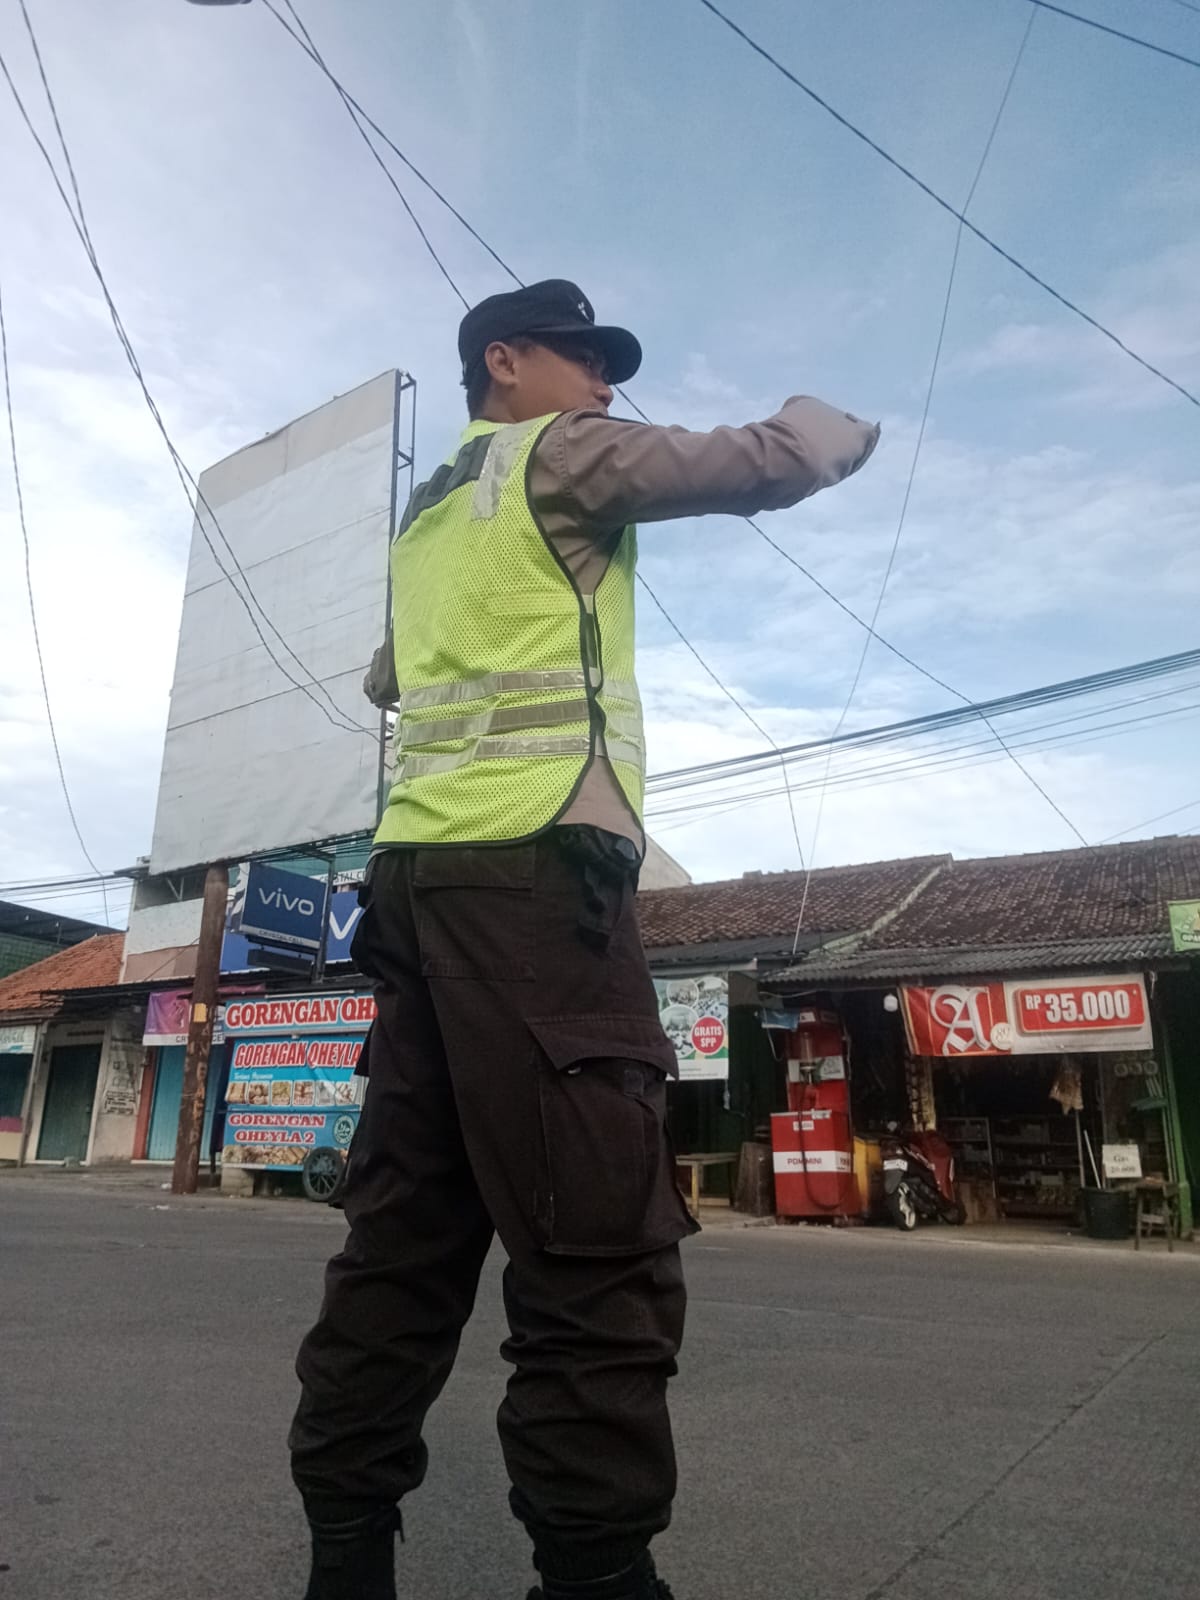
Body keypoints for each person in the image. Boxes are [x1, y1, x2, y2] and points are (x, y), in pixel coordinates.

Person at [289, 279, 879, 1600]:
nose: (607, 384)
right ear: (504, 362)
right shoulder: (558, 455)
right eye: (584, 358)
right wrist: (832, 419)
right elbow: (769, 461)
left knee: (404, 1237)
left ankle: (345, 1553)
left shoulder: (430, 507)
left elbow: (389, 675)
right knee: (595, 1246)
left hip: (417, 887)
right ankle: (599, 1577)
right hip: (535, 883)